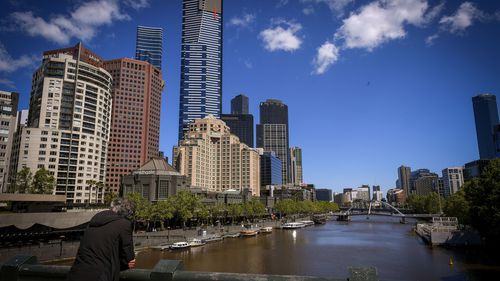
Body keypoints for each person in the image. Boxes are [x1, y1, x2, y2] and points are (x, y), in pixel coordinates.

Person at [67, 198, 136, 281]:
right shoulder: (124, 224)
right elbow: (128, 256)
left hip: (76, 273)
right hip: (100, 275)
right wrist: (126, 263)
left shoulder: (93, 221)